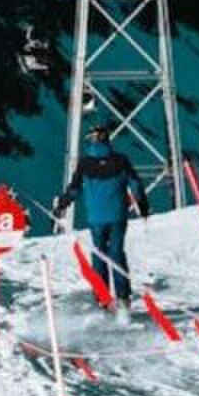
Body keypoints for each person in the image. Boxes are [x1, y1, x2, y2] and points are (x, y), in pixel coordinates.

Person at [52, 131, 149, 309]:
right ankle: (123, 299)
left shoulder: (85, 163)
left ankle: (102, 299)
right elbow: (136, 185)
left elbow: (74, 189)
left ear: (91, 142)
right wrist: (143, 208)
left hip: (96, 217)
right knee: (117, 254)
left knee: (99, 254)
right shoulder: (121, 160)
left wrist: (62, 205)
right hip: (118, 216)